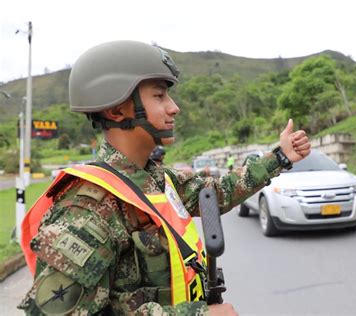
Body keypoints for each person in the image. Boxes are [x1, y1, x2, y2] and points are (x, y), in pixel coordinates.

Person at [18, 40, 311, 315]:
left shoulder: (157, 181)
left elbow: (217, 192)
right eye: (159, 95)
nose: (174, 107)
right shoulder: (86, 211)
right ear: (117, 109)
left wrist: (280, 156)